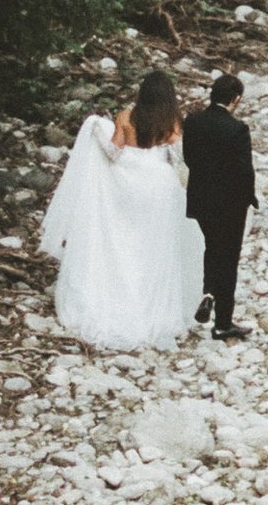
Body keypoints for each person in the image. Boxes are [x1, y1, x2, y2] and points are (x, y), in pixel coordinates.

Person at [38, 70, 206, 350]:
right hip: (159, 186)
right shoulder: (171, 120)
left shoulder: (127, 116)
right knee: (156, 248)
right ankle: (155, 311)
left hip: (129, 185)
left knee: (124, 240)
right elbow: (180, 156)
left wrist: (95, 129)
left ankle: (115, 301)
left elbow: (113, 153)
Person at [182, 71, 260, 340]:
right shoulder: (237, 129)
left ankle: (208, 291)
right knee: (228, 259)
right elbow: (244, 171)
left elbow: (189, 159)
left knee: (212, 247)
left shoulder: (192, 123)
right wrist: (250, 198)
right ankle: (223, 321)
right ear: (236, 99)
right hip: (230, 204)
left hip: (201, 200)